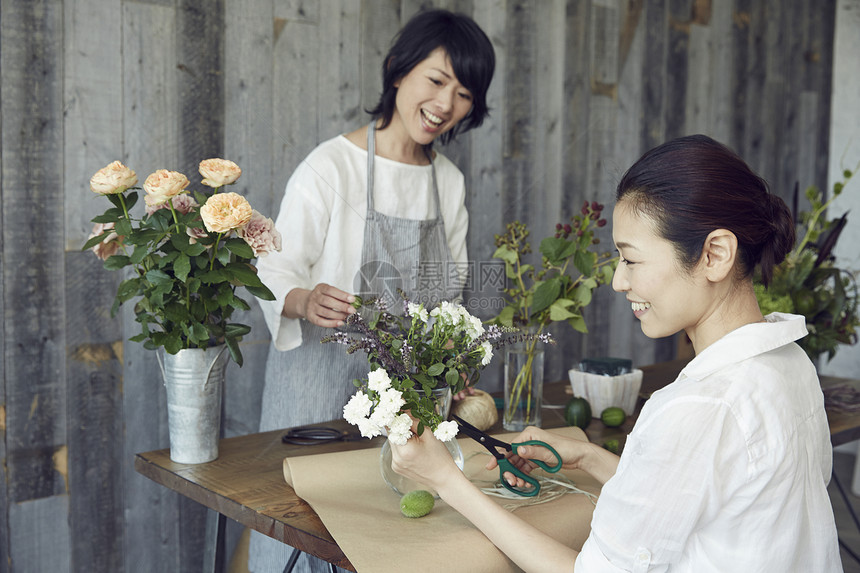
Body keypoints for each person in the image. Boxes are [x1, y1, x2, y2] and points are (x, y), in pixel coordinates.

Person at [390, 134, 842, 571]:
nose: (618, 281)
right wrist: (588, 457)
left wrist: (446, 481)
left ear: (715, 254)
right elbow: (708, 498)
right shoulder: (788, 362)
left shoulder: (701, 406)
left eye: (631, 259)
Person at [249, 9, 495, 573]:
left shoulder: (448, 182)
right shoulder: (331, 167)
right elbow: (272, 267)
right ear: (397, 71)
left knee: (392, 536)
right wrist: (305, 300)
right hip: (316, 391)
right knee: (300, 532)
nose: (445, 104)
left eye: (463, 94)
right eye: (436, 81)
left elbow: (453, 292)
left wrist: (455, 358)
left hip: (407, 405)